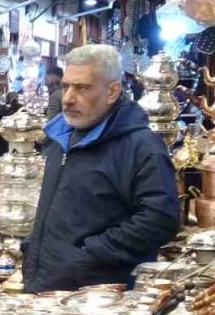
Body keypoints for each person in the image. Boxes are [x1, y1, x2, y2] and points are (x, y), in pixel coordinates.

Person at [22, 44, 180, 293]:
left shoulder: (141, 147)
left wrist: (90, 253)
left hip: (97, 298)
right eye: (66, 86)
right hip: (46, 287)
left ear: (112, 91)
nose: (68, 98)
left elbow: (160, 219)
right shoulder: (59, 138)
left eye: (82, 88)